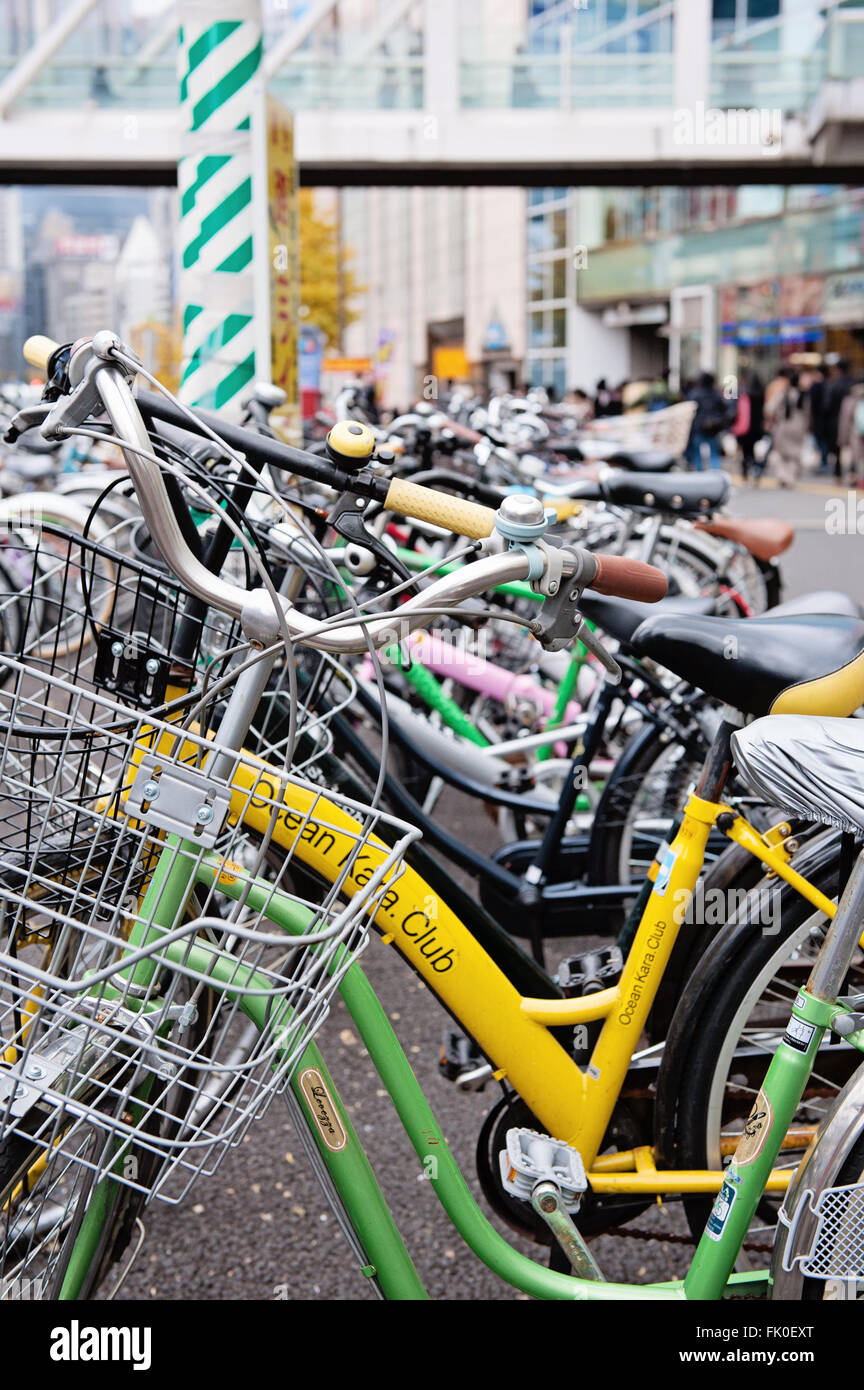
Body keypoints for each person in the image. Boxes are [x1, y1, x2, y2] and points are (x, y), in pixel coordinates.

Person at [765, 367, 808, 489]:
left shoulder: (783, 393)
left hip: (783, 425)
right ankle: (791, 477)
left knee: (782, 453)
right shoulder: (802, 395)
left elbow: (770, 408)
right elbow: (808, 413)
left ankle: (783, 476)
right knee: (794, 453)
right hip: (799, 427)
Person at [685, 371, 732, 471]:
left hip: (698, 427)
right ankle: (715, 472)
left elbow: (688, 409)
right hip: (713, 429)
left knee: (697, 452)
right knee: (714, 452)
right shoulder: (716, 394)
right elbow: (725, 408)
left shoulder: (695, 394)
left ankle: (699, 473)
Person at [730, 367, 765, 482]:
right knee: (753, 450)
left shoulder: (744, 394)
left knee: (745, 451)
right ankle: (755, 469)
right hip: (757, 427)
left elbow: (737, 411)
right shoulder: (761, 393)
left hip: (744, 427)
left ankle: (745, 472)